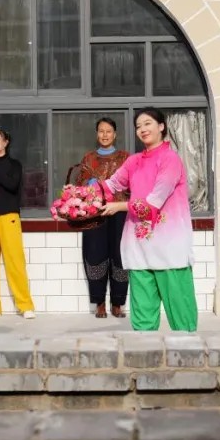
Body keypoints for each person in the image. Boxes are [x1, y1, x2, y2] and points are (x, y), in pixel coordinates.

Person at [97, 108, 198, 332]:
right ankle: (146, 354)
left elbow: (153, 203)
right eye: (138, 126)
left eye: (147, 123)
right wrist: (77, 197)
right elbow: (110, 186)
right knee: (143, 320)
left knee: (182, 317)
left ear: (161, 126)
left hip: (170, 247)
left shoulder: (170, 159)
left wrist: (119, 206)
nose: (142, 129)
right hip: (139, 246)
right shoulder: (133, 162)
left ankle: (189, 352)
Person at [77, 118, 130, 319]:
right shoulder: (88, 158)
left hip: (120, 212)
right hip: (95, 213)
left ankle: (118, 303)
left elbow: (132, 183)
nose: (105, 135)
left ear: (115, 134)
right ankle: (99, 303)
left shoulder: (126, 158)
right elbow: (80, 185)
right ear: (97, 134)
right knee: (95, 255)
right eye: (101, 131)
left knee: (120, 255)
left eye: (109, 131)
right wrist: (89, 185)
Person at [0, 128, 36, 319]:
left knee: (15, 262)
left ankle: (25, 305)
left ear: (6, 142)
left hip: (9, 217)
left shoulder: (14, 164)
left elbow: (12, 185)